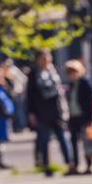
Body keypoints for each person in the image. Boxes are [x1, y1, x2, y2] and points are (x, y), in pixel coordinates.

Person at [27, 49, 74, 177]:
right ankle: (46, 166)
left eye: (47, 57)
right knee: (44, 140)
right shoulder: (33, 74)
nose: (45, 60)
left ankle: (70, 164)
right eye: (42, 58)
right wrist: (31, 113)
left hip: (57, 111)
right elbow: (30, 95)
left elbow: (60, 93)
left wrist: (65, 109)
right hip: (42, 112)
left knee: (63, 138)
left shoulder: (54, 72)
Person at [65, 59, 92, 175]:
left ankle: (89, 166)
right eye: (69, 72)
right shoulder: (71, 85)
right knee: (73, 142)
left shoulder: (85, 83)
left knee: (88, 142)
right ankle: (75, 165)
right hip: (73, 117)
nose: (72, 75)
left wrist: (91, 119)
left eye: (73, 72)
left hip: (85, 117)